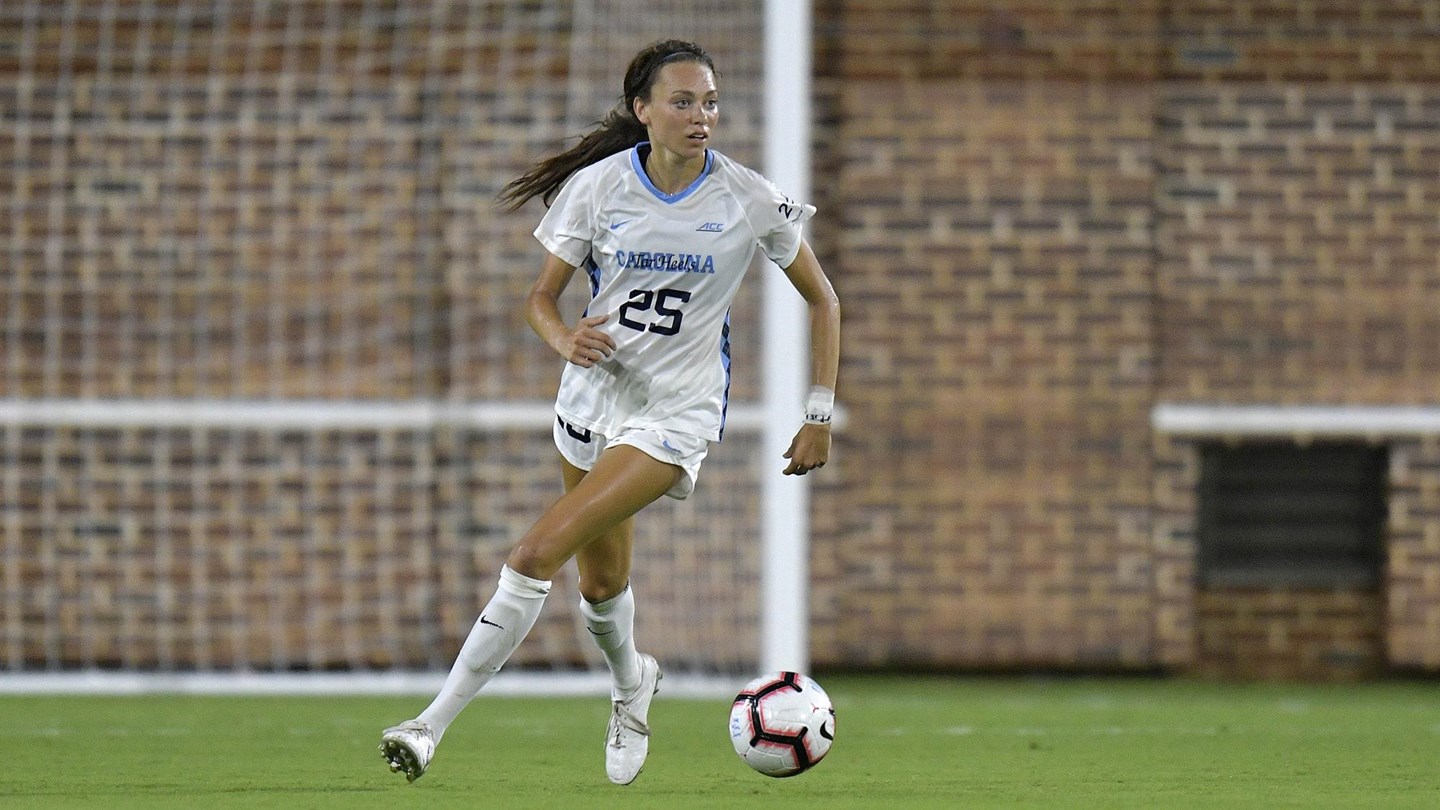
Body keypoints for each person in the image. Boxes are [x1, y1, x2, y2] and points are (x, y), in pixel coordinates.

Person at [379, 38, 840, 787]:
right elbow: (539, 298)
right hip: (591, 403)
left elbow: (824, 298)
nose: (701, 116)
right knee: (600, 590)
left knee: (534, 556)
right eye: (684, 101)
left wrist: (818, 410)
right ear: (643, 110)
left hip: (675, 416)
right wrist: (565, 337)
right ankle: (633, 683)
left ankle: (428, 725)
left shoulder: (749, 196)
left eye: (711, 101)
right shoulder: (599, 189)